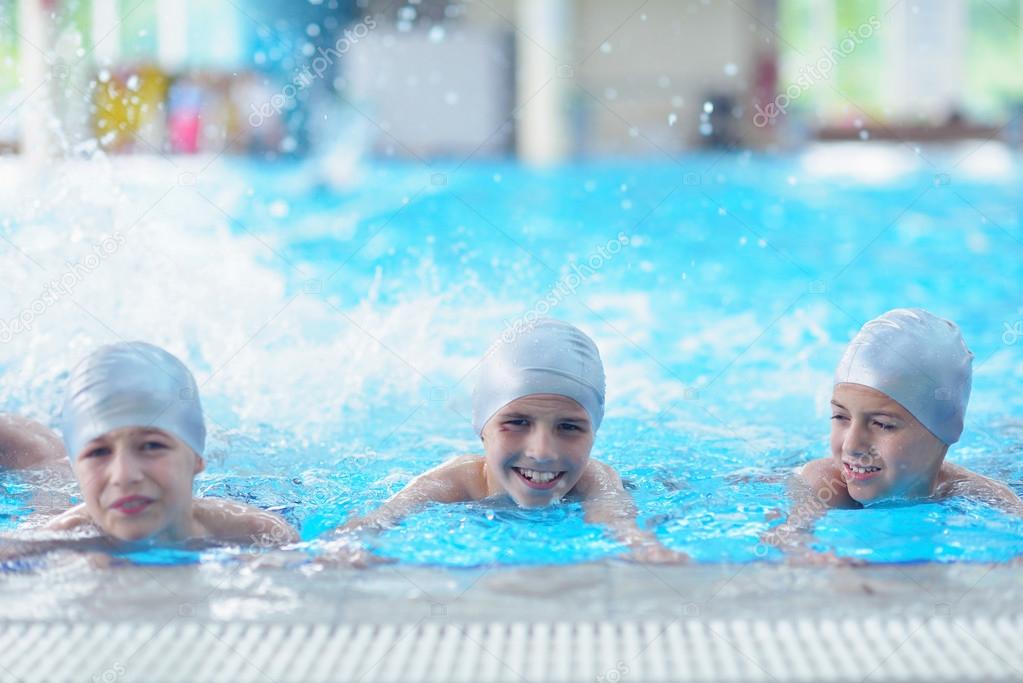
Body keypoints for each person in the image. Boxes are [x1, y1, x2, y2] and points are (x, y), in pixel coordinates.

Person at [334, 319, 687, 563]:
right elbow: (378, 520)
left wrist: (644, 548)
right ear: (482, 428)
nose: (542, 452)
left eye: (570, 427)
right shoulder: (451, 482)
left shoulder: (596, 480)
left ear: (595, 433)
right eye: (516, 422)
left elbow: (617, 523)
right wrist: (350, 547)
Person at [768, 308, 1022, 558]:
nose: (851, 445)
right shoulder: (824, 483)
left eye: (882, 424)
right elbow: (788, 536)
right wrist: (811, 556)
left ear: (944, 428)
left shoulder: (976, 493)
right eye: (840, 417)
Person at [43, 341, 298, 547]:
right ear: (75, 468)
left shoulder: (257, 535)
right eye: (98, 451)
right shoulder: (52, 544)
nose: (124, 475)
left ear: (197, 456)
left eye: (152, 446)